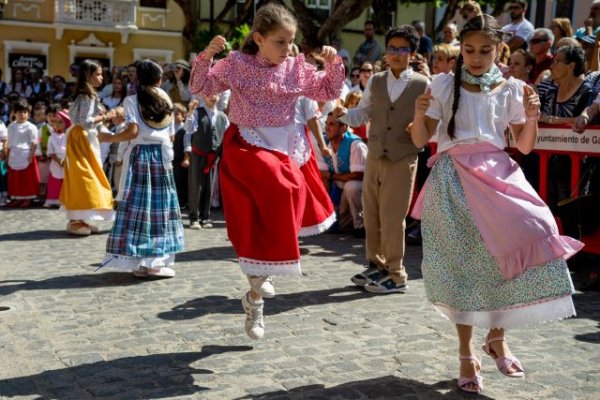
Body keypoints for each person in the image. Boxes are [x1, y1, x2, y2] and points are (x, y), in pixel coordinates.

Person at [409, 15, 581, 394]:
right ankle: (466, 353)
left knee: (536, 229)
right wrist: (420, 113)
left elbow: (523, 146)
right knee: (464, 266)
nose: (475, 57)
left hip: (497, 173)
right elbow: (421, 140)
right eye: (468, 50)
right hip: (452, 180)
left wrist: (532, 116)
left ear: (499, 50)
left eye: (485, 51)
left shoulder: (512, 88)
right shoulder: (442, 84)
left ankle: (497, 336)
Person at [189, 2, 343, 340]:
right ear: (258, 38)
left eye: (291, 42)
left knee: (279, 203)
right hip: (248, 145)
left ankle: (255, 298)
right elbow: (201, 87)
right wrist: (206, 56)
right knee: (276, 191)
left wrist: (334, 65)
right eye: (280, 42)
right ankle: (259, 286)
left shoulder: (295, 68)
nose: (288, 49)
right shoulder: (238, 65)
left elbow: (328, 90)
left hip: (284, 146)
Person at [334, 25, 429, 294]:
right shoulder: (376, 81)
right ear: (386, 52)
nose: (397, 54)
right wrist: (343, 114)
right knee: (372, 213)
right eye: (392, 48)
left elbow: (431, 122)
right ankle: (376, 265)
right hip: (374, 154)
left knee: (392, 216)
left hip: (403, 156)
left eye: (403, 49)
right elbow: (362, 114)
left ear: (412, 53)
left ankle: (396, 273)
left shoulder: (423, 84)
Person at [99, 59, 184, 279]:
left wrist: (109, 137)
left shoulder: (131, 100)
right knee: (160, 210)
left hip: (140, 156)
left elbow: (132, 132)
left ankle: (141, 263)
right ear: (159, 79)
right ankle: (155, 262)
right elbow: (172, 134)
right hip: (162, 156)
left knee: (139, 209)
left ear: (138, 78)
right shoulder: (166, 98)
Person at [60, 59, 115, 236]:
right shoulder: (88, 95)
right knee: (85, 177)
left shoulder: (85, 94)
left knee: (83, 176)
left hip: (81, 137)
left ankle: (81, 217)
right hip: (82, 138)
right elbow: (85, 121)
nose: (101, 77)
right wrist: (106, 115)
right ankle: (76, 219)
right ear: (88, 75)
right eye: (97, 74)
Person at [183, 94, 228, 229]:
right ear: (204, 96)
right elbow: (189, 129)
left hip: (213, 156)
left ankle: (205, 216)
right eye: (209, 94)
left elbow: (226, 134)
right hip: (198, 154)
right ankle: (193, 217)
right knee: (196, 185)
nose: (212, 96)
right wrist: (190, 112)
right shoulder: (197, 112)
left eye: (216, 93)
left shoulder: (222, 116)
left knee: (210, 185)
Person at [322, 113, 367, 237]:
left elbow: (358, 175)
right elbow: (320, 173)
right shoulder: (324, 143)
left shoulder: (355, 144)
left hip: (361, 190)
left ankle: (361, 225)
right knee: (335, 226)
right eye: (326, 123)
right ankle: (342, 220)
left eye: (331, 124)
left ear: (343, 128)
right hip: (339, 190)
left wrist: (331, 176)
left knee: (352, 186)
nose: (327, 128)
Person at [6, 99, 39, 208]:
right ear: (14, 113)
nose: (22, 115)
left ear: (28, 114)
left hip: (26, 154)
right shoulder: (11, 126)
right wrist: (8, 156)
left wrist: (31, 155)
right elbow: (9, 142)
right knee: (15, 178)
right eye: (19, 112)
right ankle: (16, 197)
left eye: (24, 112)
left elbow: (35, 142)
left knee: (26, 179)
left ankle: (27, 198)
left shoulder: (31, 127)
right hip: (14, 154)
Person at [44, 110, 69, 208]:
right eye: (55, 122)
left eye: (60, 122)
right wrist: (58, 161)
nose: (57, 124)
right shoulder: (52, 137)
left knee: (66, 182)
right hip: (56, 161)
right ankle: (53, 200)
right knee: (55, 181)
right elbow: (50, 151)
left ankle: (65, 200)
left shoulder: (69, 135)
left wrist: (65, 160)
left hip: (67, 161)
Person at [171, 102, 188, 209]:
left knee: (180, 181)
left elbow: (187, 145)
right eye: (172, 113)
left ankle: (182, 202)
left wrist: (186, 158)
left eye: (177, 113)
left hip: (180, 159)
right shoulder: (170, 128)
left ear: (183, 116)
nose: (173, 116)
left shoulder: (184, 129)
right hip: (171, 159)